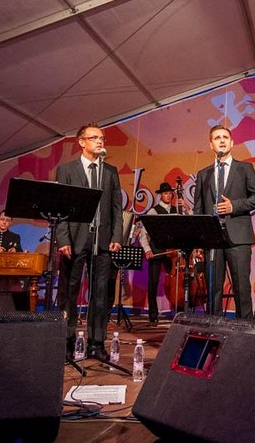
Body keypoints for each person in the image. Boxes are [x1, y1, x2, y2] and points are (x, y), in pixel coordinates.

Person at [55, 124, 123, 361]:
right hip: (74, 240)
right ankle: (67, 341)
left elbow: (116, 207)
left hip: (102, 241)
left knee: (101, 293)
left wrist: (117, 236)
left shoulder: (110, 171)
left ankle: (96, 342)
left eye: (102, 138)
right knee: (69, 292)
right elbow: (60, 208)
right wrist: (63, 238)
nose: (100, 141)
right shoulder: (66, 170)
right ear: (81, 142)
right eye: (94, 138)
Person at [193, 125, 255, 320]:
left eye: (225, 137)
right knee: (213, 288)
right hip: (212, 239)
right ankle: (214, 328)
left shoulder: (245, 168)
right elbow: (198, 209)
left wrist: (235, 206)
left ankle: (245, 330)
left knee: (241, 287)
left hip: (238, 236)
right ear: (211, 145)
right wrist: (198, 240)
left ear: (232, 143)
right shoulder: (204, 174)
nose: (222, 140)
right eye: (217, 138)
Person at [138, 182, 177, 323]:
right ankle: (153, 314)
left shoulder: (176, 210)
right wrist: (147, 249)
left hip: (172, 252)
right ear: (161, 195)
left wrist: (185, 206)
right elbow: (143, 233)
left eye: (170, 193)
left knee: (177, 280)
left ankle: (178, 311)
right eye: (166, 193)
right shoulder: (153, 211)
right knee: (153, 282)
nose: (168, 196)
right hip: (157, 250)